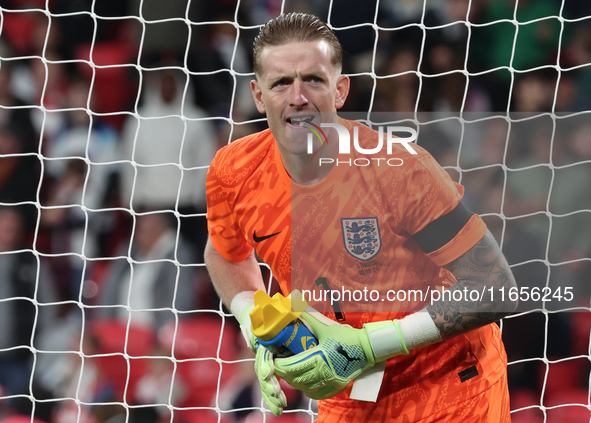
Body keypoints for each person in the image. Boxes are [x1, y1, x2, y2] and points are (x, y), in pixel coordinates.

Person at [204, 12, 518, 423]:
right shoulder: (235, 171)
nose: (298, 97)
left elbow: (494, 287)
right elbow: (224, 252)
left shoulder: (402, 170)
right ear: (259, 95)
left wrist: (370, 344)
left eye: (313, 80)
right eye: (281, 83)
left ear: (340, 91)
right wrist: (253, 317)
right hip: (350, 394)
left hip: (450, 385)